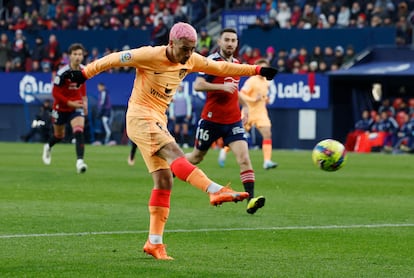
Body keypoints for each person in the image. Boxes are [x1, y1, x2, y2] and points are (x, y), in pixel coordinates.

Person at [65, 22, 278, 260]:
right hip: (140, 117)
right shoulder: (148, 55)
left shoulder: (190, 59)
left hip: (157, 119)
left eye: (192, 49)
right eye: (184, 48)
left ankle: (154, 243)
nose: (188, 54)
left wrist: (257, 71)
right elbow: (114, 59)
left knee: (165, 180)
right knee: (176, 152)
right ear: (171, 43)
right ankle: (214, 190)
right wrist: (84, 74)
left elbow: (220, 67)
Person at [185, 28, 267, 217]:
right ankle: (174, 166)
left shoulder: (237, 64)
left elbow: (234, 91)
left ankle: (251, 200)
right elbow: (198, 85)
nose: (230, 43)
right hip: (211, 120)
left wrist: (245, 106)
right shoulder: (212, 62)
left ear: (237, 44)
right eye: (227, 40)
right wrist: (221, 86)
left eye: (233, 40)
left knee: (244, 159)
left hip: (233, 121)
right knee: (197, 157)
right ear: (220, 42)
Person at [42, 43, 88, 174]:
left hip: (76, 107)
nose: (78, 57)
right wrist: (71, 103)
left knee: (79, 130)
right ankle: (48, 146)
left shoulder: (84, 70)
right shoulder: (62, 73)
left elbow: (82, 87)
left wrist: (85, 103)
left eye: (80, 54)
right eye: (75, 54)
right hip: (61, 107)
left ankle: (80, 162)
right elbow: (55, 93)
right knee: (59, 135)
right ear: (70, 56)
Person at [239, 58, 278, 169]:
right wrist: (253, 100)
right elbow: (241, 94)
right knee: (237, 137)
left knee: (267, 134)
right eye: (262, 68)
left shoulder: (267, 81)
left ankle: (267, 161)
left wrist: (266, 99)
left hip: (261, 113)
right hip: (248, 112)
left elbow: (263, 96)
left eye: (266, 68)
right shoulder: (251, 81)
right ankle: (224, 152)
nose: (264, 70)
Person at [169, 82, 192, 148]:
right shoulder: (174, 96)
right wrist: (171, 115)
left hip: (184, 115)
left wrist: (188, 114)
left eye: (181, 87)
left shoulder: (186, 96)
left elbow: (188, 105)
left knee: (185, 130)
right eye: (179, 87)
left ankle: (185, 143)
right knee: (177, 130)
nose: (180, 88)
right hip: (177, 115)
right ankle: (178, 143)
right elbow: (172, 106)